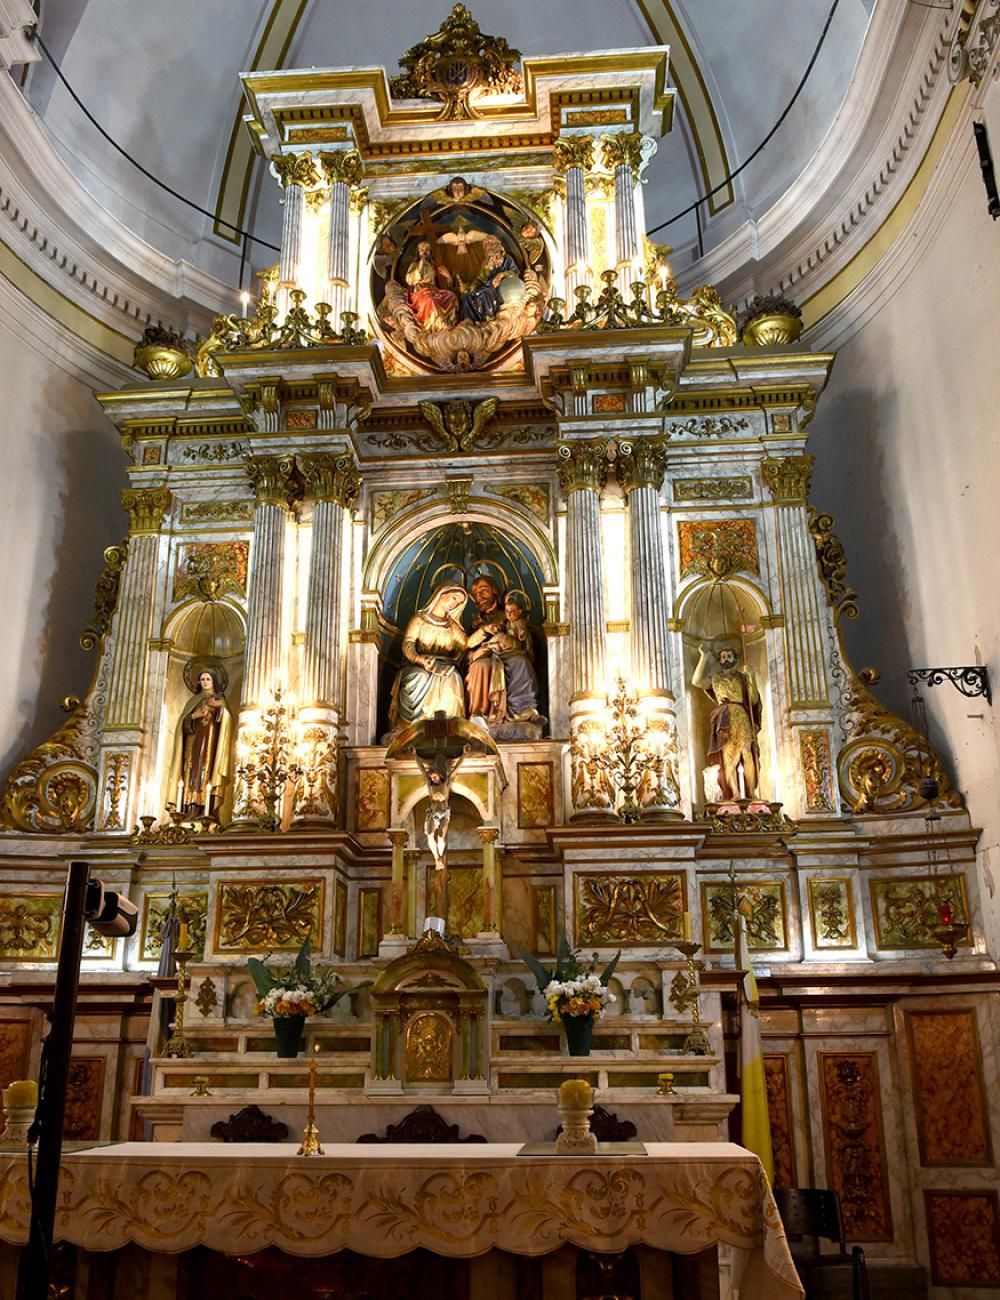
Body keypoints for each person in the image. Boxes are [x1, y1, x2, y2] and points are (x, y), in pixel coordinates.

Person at [390, 586, 489, 727]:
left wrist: (484, 630)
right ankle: (411, 727)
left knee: (453, 679)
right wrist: (419, 659)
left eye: (458, 603)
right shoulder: (419, 619)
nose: (454, 603)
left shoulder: (451, 625)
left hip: (445, 666)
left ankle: (450, 728)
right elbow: (408, 642)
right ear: (441, 593)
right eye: (454, 598)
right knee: (418, 677)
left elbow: (466, 643)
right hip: (419, 664)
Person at [692, 640, 762, 801]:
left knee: (747, 752)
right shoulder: (716, 679)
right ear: (719, 660)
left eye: (729, 656)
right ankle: (735, 792)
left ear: (735, 658)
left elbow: (753, 700)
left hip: (741, 716)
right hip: (723, 719)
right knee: (729, 756)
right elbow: (696, 681)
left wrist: (752, 677)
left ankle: (751, 792)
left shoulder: (743, 678)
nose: (726, 659)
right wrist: (704, 656)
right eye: (723, 657)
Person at [169, 667, 233, 817]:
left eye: (208, 679)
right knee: (191, 771)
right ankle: (188, 808)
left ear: (213, 681)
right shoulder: (193, 701)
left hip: (210, 741)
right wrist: (193, 716)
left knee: (206, 770)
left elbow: (227, 721)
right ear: (198, 682)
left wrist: (219, 708)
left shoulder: (219, 699)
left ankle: (206, 809)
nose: (205, 682)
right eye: (202, 679)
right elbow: (182, 723)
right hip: (192, 742)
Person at [487, 592, 542, 723]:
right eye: (507, 611)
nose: (510, 614)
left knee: (522, 664)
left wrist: (522, 634)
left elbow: (525, 639)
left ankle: (526, 707)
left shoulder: (521, 623)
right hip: (504, 655)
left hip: (518, 654)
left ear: (520, 611)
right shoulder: (505, 625)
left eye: (513, 611)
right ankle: (508, 708)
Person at [464, 575, 507, 717]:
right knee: (479, 665)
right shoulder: (475, 623)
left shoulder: (507, 616)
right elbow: (465, 648)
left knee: (481, 666)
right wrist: (472, 655)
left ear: (494, 590)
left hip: (502, 657)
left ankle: (488, 713)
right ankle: (477, 713)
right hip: (480, 661)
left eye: (484, 590)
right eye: (476, 594)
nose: (479, 596)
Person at [459, 235, 521, 323]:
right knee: (468, 296)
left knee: (485, 293)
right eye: (487, 244)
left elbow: (515, 272)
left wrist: (502, 275)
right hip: (487, 286)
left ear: (498, 244)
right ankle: (469, 321)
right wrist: (470, 288)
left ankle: (488, 317)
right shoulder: (485, 264)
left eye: (491, 242)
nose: (489, 244)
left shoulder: (507, 259)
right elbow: (480, 279)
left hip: (502, 288)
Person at [404, 240, 458, 332]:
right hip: (421, 292)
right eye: (422, 250)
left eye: (427, 250)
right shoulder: (414, 265)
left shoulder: (434, 266)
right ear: (418, 252)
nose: (425, 252)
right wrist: (421, 264)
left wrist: (448, 276)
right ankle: (440, 325)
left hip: (435, 291)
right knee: (430, 300)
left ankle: (451, 322)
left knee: (451, 296)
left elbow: (447, 284)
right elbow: (409, 280)